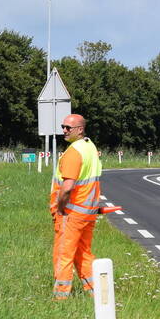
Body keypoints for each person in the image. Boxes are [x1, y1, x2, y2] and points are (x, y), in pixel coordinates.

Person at [49, 113, 102, 299]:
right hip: (88, 212)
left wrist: (60, 207)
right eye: (63, 126)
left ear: (79, 130)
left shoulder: (73, 152)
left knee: (63, 254)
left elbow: (67, 187)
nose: (64, 130)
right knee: (84, 253)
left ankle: (60, 296)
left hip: (71, 212)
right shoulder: (90, 147)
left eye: (68, 128)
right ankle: (97, 293)